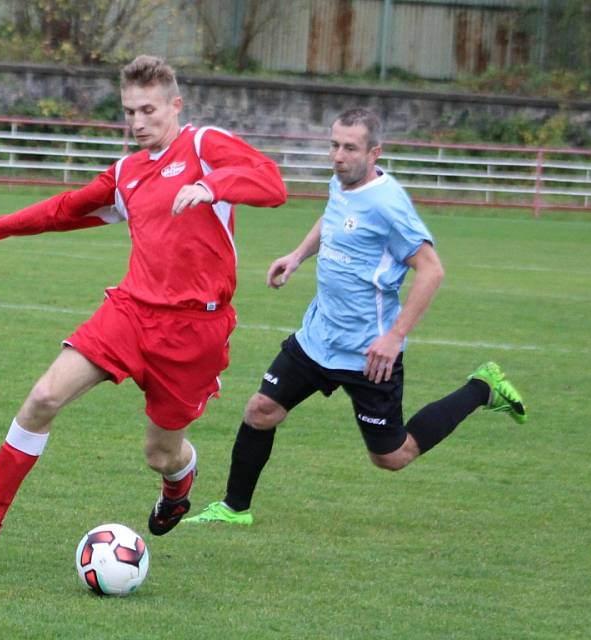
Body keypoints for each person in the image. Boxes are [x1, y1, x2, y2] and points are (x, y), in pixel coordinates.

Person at [0, 55, 287, 548]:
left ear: (175, 105)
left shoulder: (203, 146)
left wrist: (211, 185)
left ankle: (179, 481)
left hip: (194, 331)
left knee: (161, 453)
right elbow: (63, 210)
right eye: (128, 112)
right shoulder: (127, 173)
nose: (137, 123)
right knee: (43, 397)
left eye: (148, 110)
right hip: (130, 312)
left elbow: (272, 184)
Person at [185, 108, 527, 526]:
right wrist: (296, 256)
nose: (338, 156)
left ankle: (482, 387)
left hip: (368, 352)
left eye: (350, 148)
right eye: (334, 145)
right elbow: (332, 217)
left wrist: (394, 338)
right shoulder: (341, 181)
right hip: (318, 338)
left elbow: (432, 270)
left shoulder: (389, 206)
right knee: (261, 410)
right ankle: (234, 508)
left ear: (374, 153)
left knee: (392, 456)